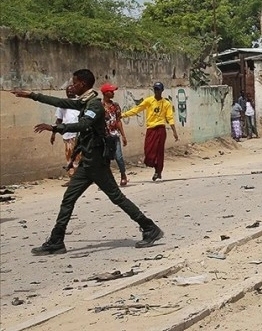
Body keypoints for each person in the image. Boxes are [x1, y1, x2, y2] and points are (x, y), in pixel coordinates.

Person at [12, 69, 163, 255]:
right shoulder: (85, 102)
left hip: (97, 163)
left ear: (82, 84)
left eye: (74, 82)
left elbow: (83, 125)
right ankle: (56, 241)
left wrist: (54, 128)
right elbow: (60, 102)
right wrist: (32, 95)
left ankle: (149, 228)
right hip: (87, 162)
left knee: (117, 197)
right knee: (68, 198)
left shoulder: (94, 106)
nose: (72, 85)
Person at [121, 82, 178, 181]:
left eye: (159, 89)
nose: (157, 91)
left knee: (159, 151)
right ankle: (154, 165)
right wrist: (123, 115)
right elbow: (137, 109)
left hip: (160, 128)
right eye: (155, 89)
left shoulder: (166, 103)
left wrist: (174, 132)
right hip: (151, 129)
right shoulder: (149, 101)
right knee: (148, 150)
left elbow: (170, 118)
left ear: (162, 90)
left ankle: (158, 171)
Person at [52, 85, 81, 186]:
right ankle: (72, 178)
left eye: (71, 91)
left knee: (78, 157)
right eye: (67, 91)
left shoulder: (80, 102)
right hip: (67, 135)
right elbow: (59, 120)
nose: (69, 93)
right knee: (69, 158)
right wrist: (53, 133)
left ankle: (79, 179)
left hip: (78, 135)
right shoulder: (62, 105)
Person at [100, 83, 129, 186]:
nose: (112, 93)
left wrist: (123, 135)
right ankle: (107, 180)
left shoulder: (115, 106)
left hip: (114, 135)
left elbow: (118, 121)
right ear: (105, 93)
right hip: (104, 137)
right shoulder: (99, 106)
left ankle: (123, 174)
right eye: (110, 91)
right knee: (104, 159)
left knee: (119, 157)